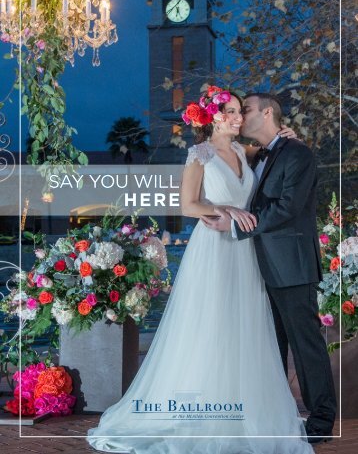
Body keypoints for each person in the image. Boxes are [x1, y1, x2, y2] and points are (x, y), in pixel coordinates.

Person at [87, 87, 313, 454]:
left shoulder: (245, 151)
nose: (239, 117)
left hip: (246, 253)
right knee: (212, 324)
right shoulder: (200, 154)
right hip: (214, 249)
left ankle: (246, 409)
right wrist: (225, 210)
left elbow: (277, 152)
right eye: (231, 111)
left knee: (246, 327)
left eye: (241, 111)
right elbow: (188, 204)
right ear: (212, 116)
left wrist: (289, 136)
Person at [202, 93, 336, 445]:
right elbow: (211, 170)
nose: (241, 116)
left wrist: (233, 226)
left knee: (305, 345)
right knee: (269, 345)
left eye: (245, 110)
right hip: (255, 267)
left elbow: (288, 208)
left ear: (266, 112)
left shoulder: (297, 154)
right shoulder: (253, 155)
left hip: (291, 265)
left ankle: (321, 420)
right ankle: (277, 413)